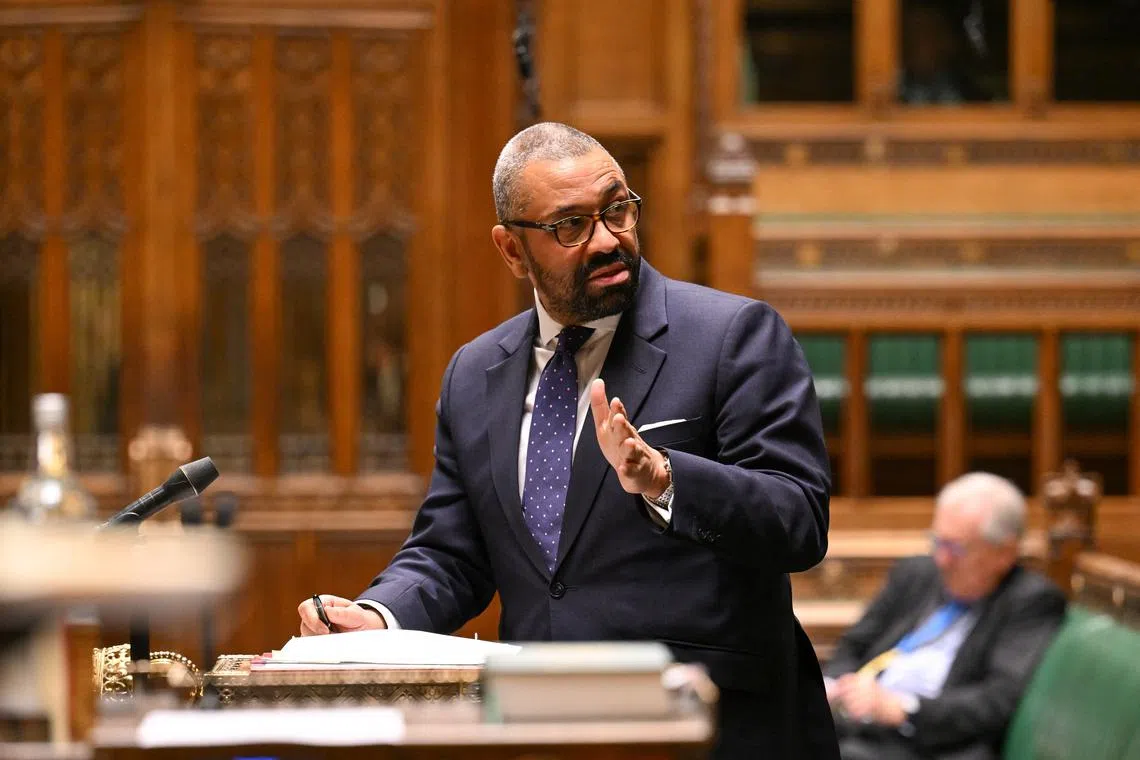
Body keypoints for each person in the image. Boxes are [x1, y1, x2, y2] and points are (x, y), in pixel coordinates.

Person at [297, 122, 839, 759]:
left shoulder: (732, 337)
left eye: (616, 210)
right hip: (545, 729)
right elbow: (452, 551)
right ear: (512, 250)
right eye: (570, 226)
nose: (607, 240)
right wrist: (379, 618)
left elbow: (798, 520)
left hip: (712, 729)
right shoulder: (476, 373)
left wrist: (666, 480)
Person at [824, 473, 1067, 760]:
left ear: (1005, 553)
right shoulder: (916, 573)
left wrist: (904, 708)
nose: (942, 559)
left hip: (926, 744)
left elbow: (998, 699)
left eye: (956, 548)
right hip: (852, 722)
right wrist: (842, 686)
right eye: (937, 542)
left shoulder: (1031, 601)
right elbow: (853, 645)